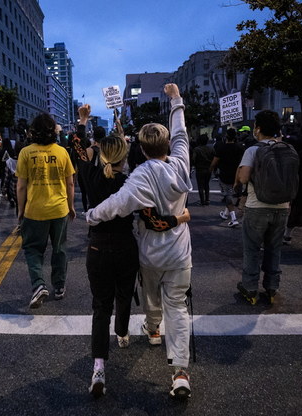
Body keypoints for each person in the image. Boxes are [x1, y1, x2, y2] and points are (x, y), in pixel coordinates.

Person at [86, 83, 194, 400]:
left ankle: (152, 329)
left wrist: (91, 215)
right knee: (178, 308)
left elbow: (116, 205)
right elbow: (181, 132)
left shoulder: (140, 176)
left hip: (149, 253)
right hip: (180, 252)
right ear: (167, 145)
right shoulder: (180, 162)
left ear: (142, 149)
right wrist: (176, 99)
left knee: (152, 301)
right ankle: (180, 374)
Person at [234, 110, 295, 305]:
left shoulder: (253, 150)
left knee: (252, 249)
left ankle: (250, 288)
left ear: (258, 128)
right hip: (283, 207)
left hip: (257, 206)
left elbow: (243, 178)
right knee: (274, 249)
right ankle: (271, 287)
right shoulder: (288, 149)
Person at [16, 113, 76, 308]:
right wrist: (71, 206)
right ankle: (59, 286)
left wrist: (20, 210)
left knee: (33, 249)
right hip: (59, 209)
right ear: (54, 132)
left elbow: (21, 187)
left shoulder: (26, 153)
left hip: (34, 210)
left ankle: (39, 284)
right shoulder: (62, 152)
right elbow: (70, 184)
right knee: (59, 249)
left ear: (33, 132)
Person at [211, 127, 244, 226]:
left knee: (227, 196)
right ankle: (225, 214)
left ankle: (233, 219)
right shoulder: (240, 148)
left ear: (226, 137)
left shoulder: (221, 147)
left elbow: (215, 161)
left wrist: (211, 170)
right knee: (231, 194)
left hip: (225, 175)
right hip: (238, 175)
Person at [191, 134, 214, 206]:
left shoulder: (196, 149)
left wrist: (193, 165)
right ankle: (207, 199)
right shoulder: (211, 148)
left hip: (200, 169)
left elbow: (193, 159)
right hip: (208, 168)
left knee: (200, 186)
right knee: (206, 184)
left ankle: (202, 201)